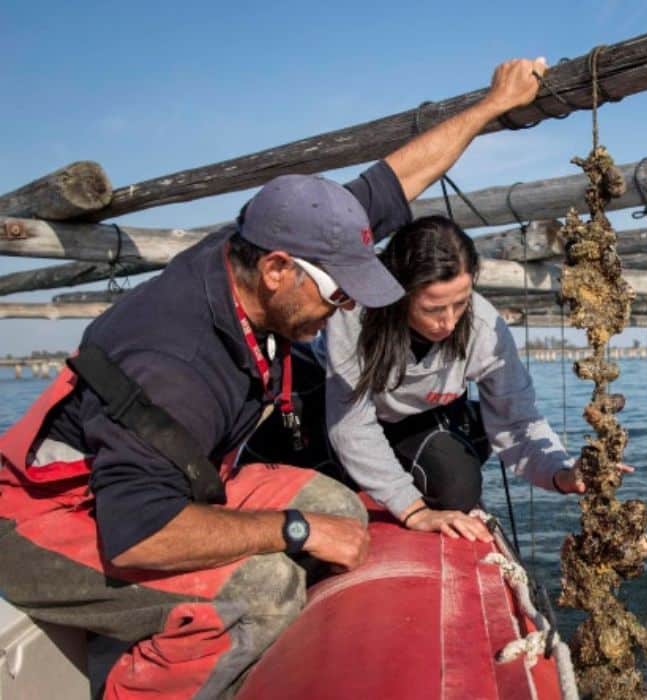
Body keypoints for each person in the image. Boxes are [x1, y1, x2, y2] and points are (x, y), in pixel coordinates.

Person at [0, 58, 547, 698]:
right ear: (278, 270)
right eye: (338, 295)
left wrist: (490, 105)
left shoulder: (262, 240)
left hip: (174, 484)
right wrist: (295, 530)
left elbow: (395, 181)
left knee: (342, 507)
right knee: (263, 592)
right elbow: (137, 534)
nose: (346, 310)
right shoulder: (177, 367)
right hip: (48, 518)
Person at [326, 215, 614, 543]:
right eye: (433, 309)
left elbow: (518, 422)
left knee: (458, 488)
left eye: (460, 304)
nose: (448, 323)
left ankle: (473, 426)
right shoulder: (355, 311)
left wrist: (562, 474)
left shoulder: (484, 326)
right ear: (399, 292)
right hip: (349, 413)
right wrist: (414, 511)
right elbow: (350, 424)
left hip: (420, 417)